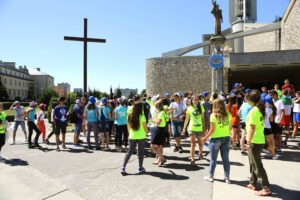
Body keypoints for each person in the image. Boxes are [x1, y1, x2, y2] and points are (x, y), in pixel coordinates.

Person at [244, 91, 272, 197]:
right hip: (258, 140)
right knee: (253, 163)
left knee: (257, 165)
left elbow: (252, 127)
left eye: (247, 98)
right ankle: (253, 183)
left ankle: (266, 188)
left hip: (255, 141)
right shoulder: (258, 109)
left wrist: (249, 142)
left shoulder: (254, 111)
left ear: (250, 100)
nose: (246, 100)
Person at [202, 99, 231, 184]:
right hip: (226, 137)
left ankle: (211, 176)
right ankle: (227, 178)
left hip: (216, 139)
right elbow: (229, 128)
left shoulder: (213, 115)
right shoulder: (228, 114)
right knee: (225, 159)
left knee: (213, 159)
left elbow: (212, 129)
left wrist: (205, 138)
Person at [121, 102, 148, 175]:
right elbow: (145, 127)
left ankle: (123, 167)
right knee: (140, 152)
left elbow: (128, 126)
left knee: (129, 152)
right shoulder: (142, 116)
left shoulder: (129, 115)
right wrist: (146, 132)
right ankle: (140, 167)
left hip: (132, 135)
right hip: (141, 136)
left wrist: (130, 133)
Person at [183, 96, 205, 166]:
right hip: (191, 128)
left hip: (199, 128)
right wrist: (184, 128)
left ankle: (200, 153)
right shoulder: (189, 108)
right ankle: (192, 159)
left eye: (196, 100)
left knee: (200, 143)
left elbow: (203, 119)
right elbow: (186, 119)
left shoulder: (201, 108)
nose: (195, 101)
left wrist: (204, 128)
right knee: (193, 144)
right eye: (194, 100)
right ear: (191, 101)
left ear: (198, 101)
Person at [152, 100, 167, 167]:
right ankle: (159, 159)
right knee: (159, 146)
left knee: (153, 146)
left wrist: (154, 119)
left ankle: (162, 158)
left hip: (159, 129)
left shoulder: (160, 113)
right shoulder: (162, 112)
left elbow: (158, 122)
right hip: (161, 129)